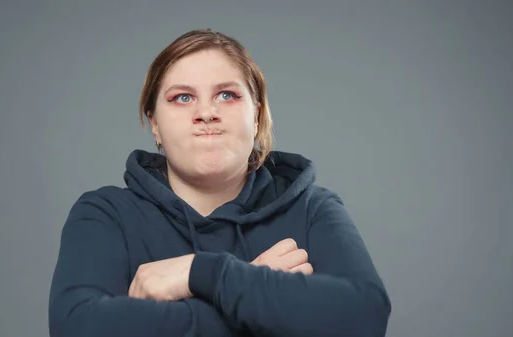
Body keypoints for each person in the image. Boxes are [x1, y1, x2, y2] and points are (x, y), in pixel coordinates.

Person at [48, 29, 391, 337]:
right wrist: (262, 293)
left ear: (256, 116)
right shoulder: (105, 215)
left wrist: (201, 272)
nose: (206, 112)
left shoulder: (312, 209)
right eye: (182, 97)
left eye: (226, 95)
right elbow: (78, 328)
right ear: (154, 124)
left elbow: (364, 317)